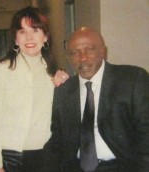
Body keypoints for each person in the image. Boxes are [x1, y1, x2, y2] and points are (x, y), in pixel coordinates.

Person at [45, 27, 149, 172]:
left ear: (103, 52)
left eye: (90, 49)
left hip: (120, 167)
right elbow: (57, 140)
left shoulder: (132, 80)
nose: (82, 58)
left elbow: (146, 134)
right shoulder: (63, 91)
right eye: (74, 53)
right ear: (68, 58)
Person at [0, 6, 69, 172]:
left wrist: (63, 83)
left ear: (45, 37)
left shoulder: (53, 72)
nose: (29, 37)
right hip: (12, 158)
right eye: (22, 31)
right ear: (15, 39)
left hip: (47, 156)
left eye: (35, 30)